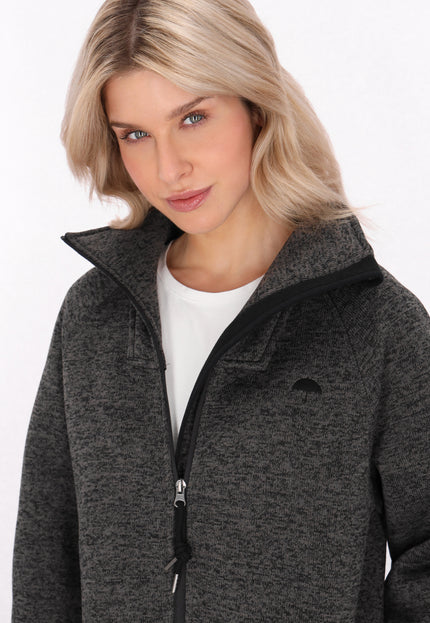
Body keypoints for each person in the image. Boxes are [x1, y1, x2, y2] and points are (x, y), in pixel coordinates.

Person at [12, 0, 430, 621]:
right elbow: (47, 558)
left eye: (193, 118)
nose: (168, 168)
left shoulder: (376, 325)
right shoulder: (94, 316)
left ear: (255, 106)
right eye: (135, 134)